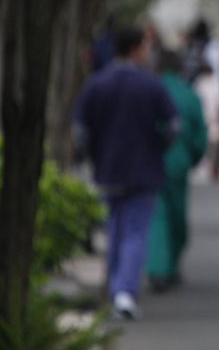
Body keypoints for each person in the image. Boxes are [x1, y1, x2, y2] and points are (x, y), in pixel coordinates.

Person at [73, 26, 179, 319]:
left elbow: (80, 131)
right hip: (145, 168)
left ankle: (115, 286)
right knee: (135, 232)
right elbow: (173, 126)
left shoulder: (97, 83)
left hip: (106, 168)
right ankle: (124, 292)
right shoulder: (150, 84)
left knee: (115, 228)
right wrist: (158, 147)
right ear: (136, 49)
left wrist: (91, 155)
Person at [146, 49, 208, 292]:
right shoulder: (188, 95)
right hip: (178, 165)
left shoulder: (149, 90)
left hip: (150, 162)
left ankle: (157, 267)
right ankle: (169, 265)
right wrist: (192, 158)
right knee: (176, 215)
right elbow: (200, 135)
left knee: (156, 216)